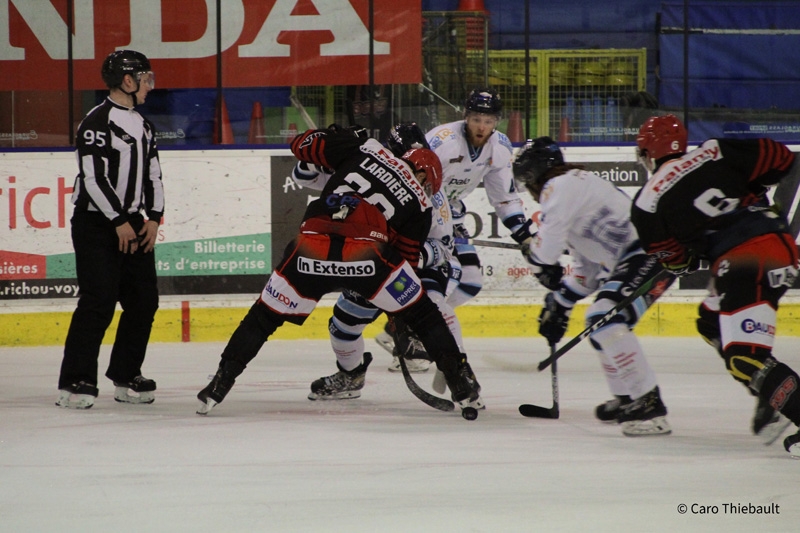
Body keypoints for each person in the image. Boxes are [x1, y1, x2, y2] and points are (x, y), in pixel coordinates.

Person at [195, 125, 483, 416]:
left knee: (262, 318)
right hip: (366, 257)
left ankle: (220, 383)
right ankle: (462, 387)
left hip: (311, 246)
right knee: (425, 314)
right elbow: (406, 262)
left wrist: (339, 135)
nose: (428, 191)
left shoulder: (366, 148)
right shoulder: (422, 200)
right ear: (423, 174)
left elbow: (302, 147)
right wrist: (401, 313)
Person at [630, 114, 800, 455]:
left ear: (648, 154)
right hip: (777, 242)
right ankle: (770, 392)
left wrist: (689, 253)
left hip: (744, 261)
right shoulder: (716, 149)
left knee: (745, 357)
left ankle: (777, 392)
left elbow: (676, 260)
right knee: (710, 321)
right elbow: (784, 160)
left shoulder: (646, 203)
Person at [513, 137, 674, 436]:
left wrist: (534, 256)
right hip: (639, 259)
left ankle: (649, 405)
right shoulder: (572, 189)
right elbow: (587, 272)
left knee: (604, 319)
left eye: (528, 183)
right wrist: (559, 304)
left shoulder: (557, 187)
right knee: (600, 323)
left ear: (536, 176)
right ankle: (627, 397)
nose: (531, 192)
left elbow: (546, 251)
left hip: (649, 255)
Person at [292, 123, 465, 401]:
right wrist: (318, 153)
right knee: (342, 326)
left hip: (413, 269)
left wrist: (408, 259)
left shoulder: (432, 193)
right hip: (369, 264)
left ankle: (459, 373)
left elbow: (443, 248)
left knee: (435, 309)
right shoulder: (365, 168)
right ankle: (351, 375)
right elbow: (304, 176)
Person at [375, 88, 535, 371]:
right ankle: (416, 333)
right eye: (476, 119)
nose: (481, 126)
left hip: (451, 211)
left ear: (496, 121)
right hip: (421, 212)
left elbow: (504, 197)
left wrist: (524, 235)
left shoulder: (499, 147)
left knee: (471, 281)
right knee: (449, 274)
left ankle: (407, 328)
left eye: (488, 120)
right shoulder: (444, 141)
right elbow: (415, 179)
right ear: (466, 117)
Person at [57, 50, 164, 409]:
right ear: (127, 81)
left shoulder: (144, 125)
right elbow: (93, 178)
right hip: (95, 223)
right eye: (145, 78)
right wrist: (118, 220)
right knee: (98, 301)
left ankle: (125, 372)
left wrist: (154, 217)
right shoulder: (96, 122)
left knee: (144, 300)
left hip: (133, 222)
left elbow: (153, 174)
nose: (150, 84)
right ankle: (76, 379)